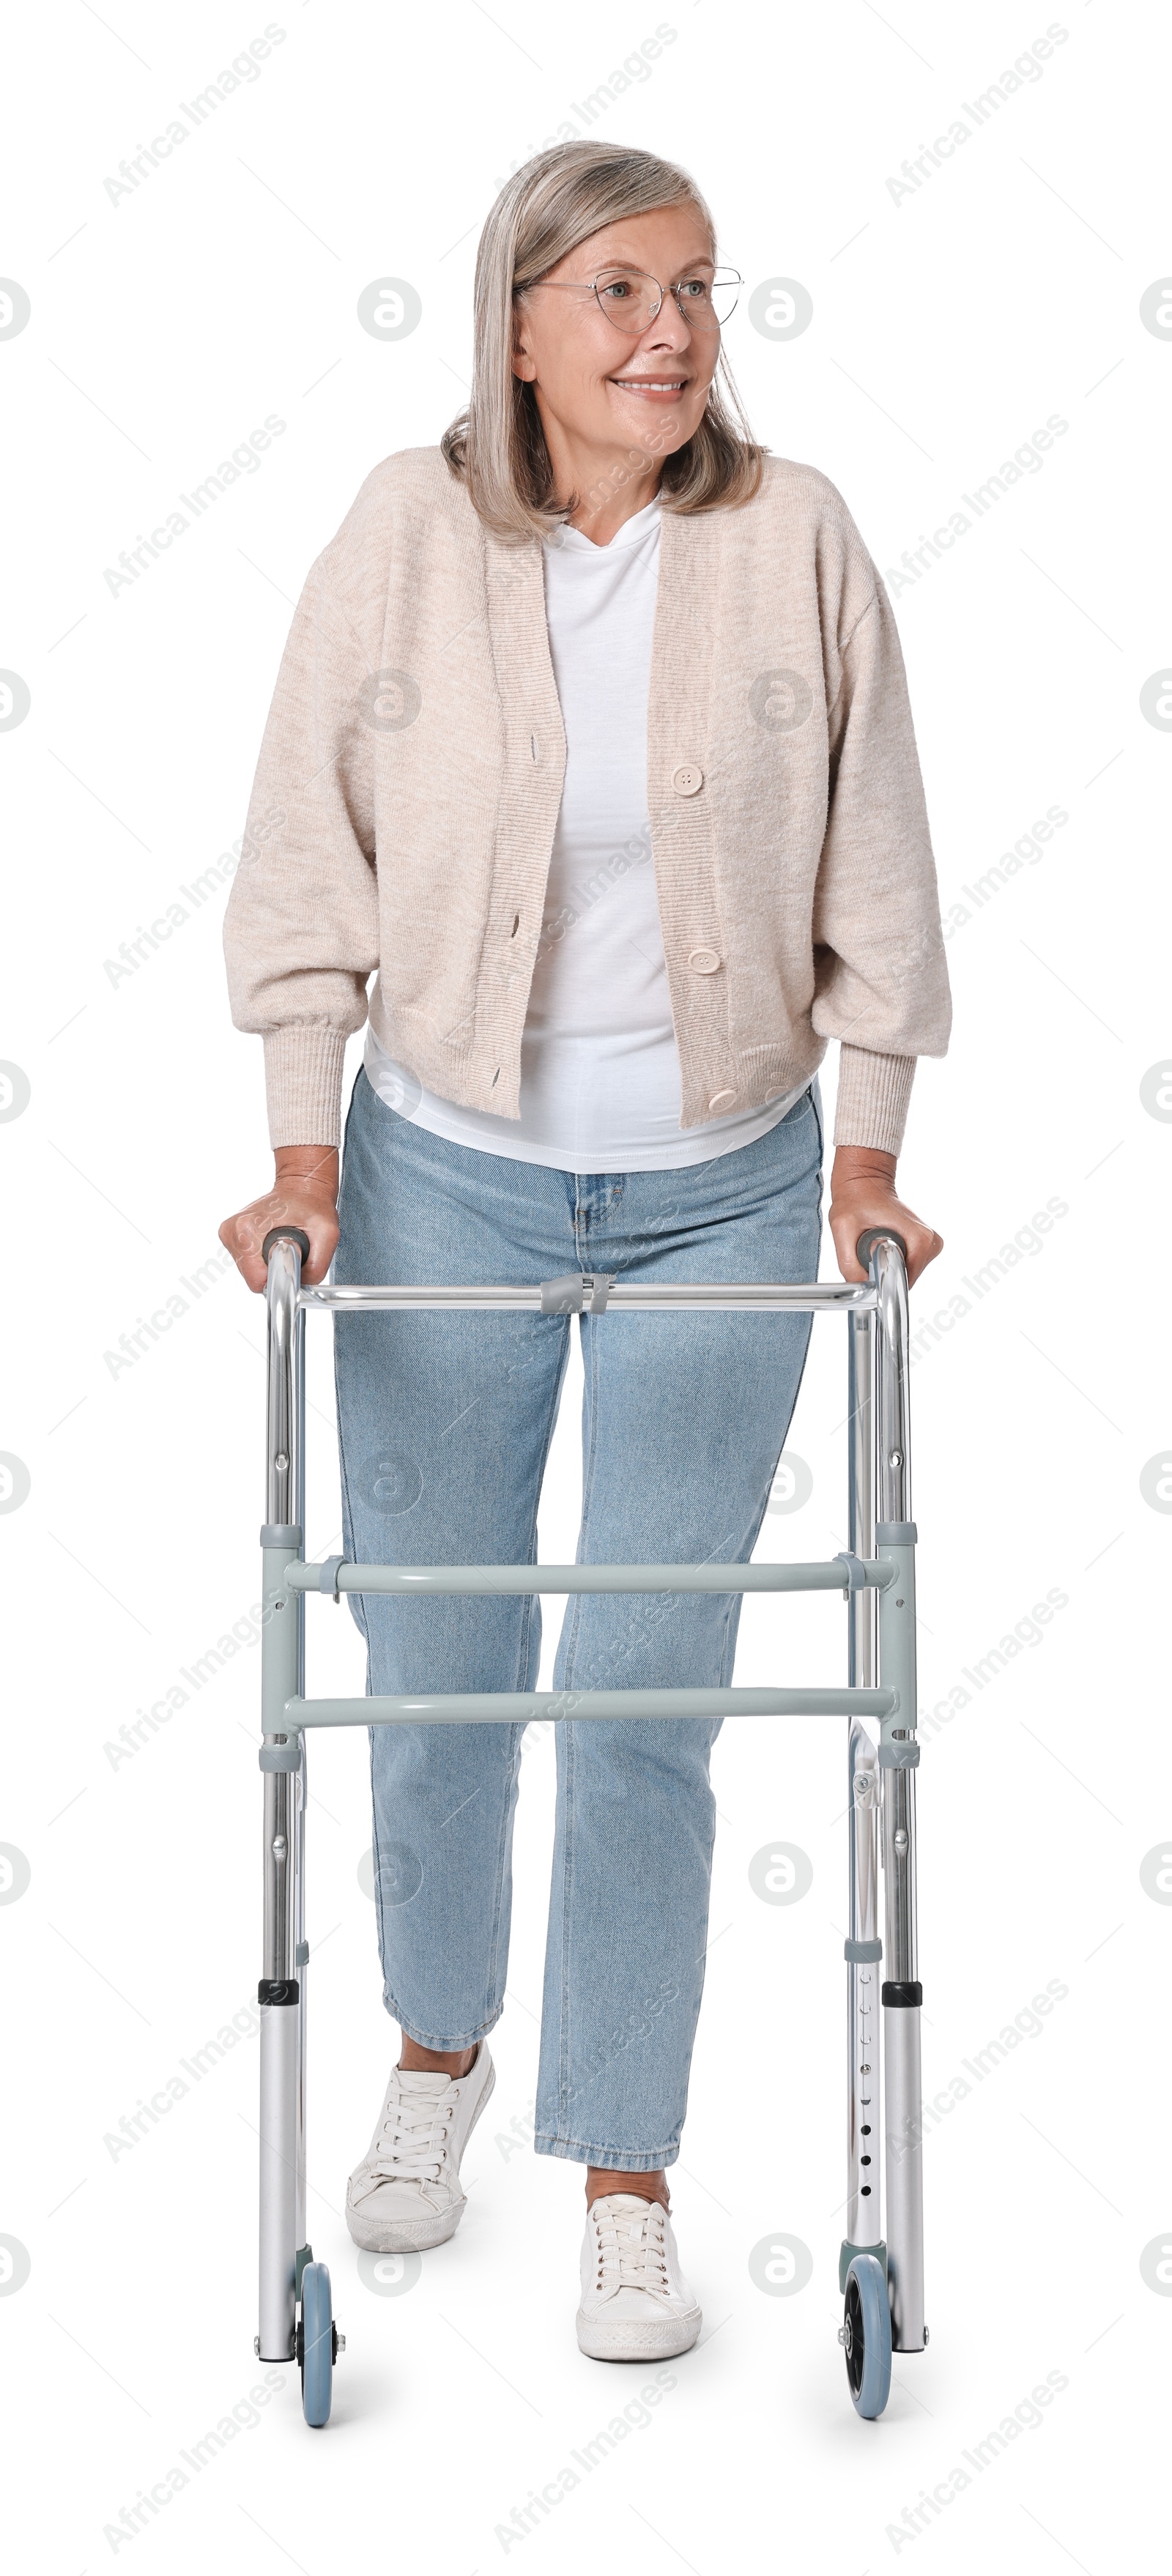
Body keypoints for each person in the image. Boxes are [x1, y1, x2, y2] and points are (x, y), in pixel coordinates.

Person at [220, 138, 950, 2364]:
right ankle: (439, 2056)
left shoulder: (793, 534)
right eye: (624, 290)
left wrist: (866, 1152)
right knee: (439, 1665)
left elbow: (883, 856)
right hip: (441, 1173)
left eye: (703, 291)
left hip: (728, 1185)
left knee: (643, 1689)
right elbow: (298, 854)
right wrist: (300, 1153)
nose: (673, 332)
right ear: (519, 319)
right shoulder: (404, 534)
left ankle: (622, 2162)